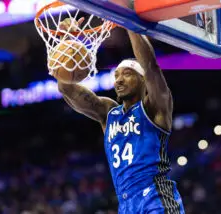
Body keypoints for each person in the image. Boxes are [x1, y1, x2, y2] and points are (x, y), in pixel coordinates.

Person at [56, 18, 185, 213]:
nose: (119, 80)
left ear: (142, 80)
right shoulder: (109, 113)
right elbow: (66, 89)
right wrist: (68, 41)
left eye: (127, 74)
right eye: (116, 75)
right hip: (126, 205)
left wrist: (127, 18)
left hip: (155, 196)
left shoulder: (154, 107)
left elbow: (150, 66)